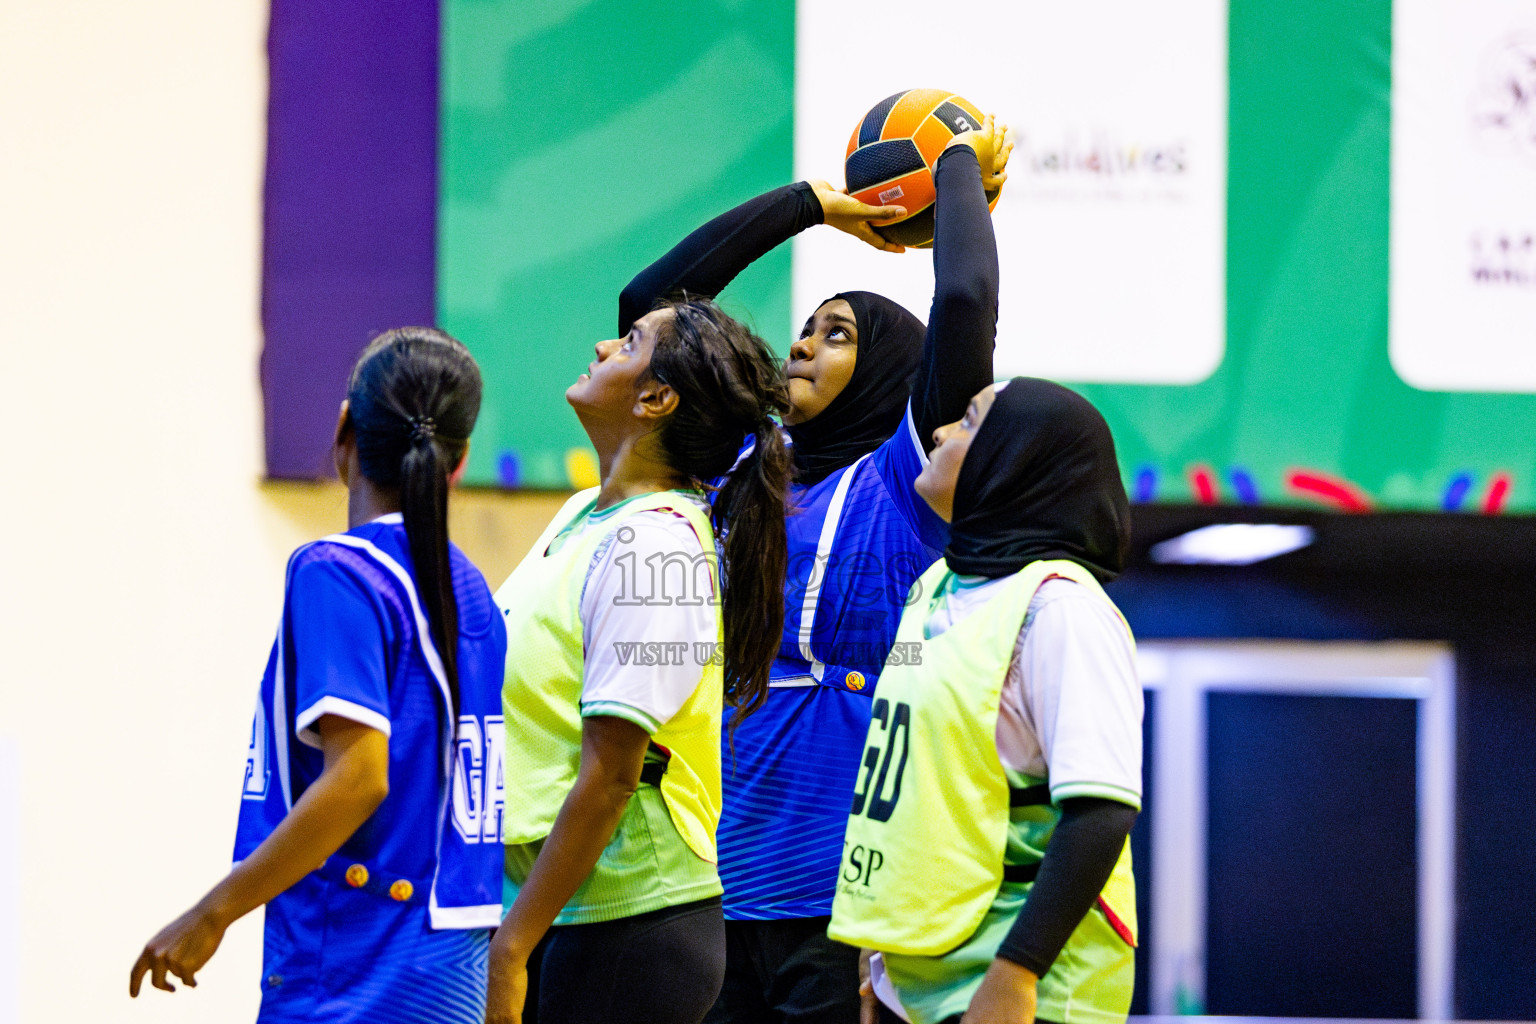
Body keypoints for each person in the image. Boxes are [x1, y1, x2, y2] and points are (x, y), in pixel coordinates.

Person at [619, 116, 1012, 1024]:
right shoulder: (734, 470)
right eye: (803, 330)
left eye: (834, 335)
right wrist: (807, 208)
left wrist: (952, 157)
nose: (801, 345)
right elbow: (650, 306)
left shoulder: (907, 478)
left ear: (884, 371)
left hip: (844, 892)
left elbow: (962, 302)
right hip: (709, 878)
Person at [129, 328, 508, 1022]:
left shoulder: (336, 572)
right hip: (451, 976)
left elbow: (361, 776)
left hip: (352, 969)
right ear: (460, 463)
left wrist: (213, 912)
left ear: (344, 432)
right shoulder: (474, 591)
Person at [486, 298, 793, 1024]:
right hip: (562, 912)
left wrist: (511, 946)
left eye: (627, 344)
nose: (601, 344)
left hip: (628, 923)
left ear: (657, 399)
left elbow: (612, 775)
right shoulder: (584, 514)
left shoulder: (657, 548)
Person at [828, 377, 1142, 1024]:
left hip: (1022, 991)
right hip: (913, 983)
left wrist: (1017, 973)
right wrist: (878, 962)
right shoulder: (937, 585)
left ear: (1015, 458)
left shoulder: (1063, 609)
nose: (940, 433)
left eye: (968, 421)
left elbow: (1101, 811)